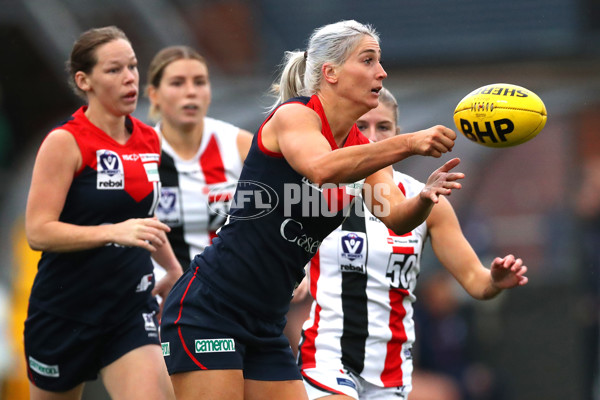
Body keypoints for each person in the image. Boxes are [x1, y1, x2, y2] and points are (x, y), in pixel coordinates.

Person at [159, 19, 464, 400]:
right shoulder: (296, 116)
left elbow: (397, 218)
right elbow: (322, 169)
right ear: (330, 72)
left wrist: (424, 198)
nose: (381, 72)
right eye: (368, 60)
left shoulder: (362, 151)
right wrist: (408, 142)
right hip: (211, 309)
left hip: (265, 323)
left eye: (379, 62)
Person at [295, 87, 528, 400]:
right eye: (361, 126)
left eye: (384, 127)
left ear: (399, 135)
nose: (373, 137)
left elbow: (476, 281)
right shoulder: (318, 193)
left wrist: (496, 280)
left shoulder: (428, 199)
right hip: (327, 357)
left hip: (391, 369)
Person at [23, 26, 182, 400]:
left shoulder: (150, 139)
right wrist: (111, 231)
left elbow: (142, 223)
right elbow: (38, 232)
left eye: (133, 66)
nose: (129, 79)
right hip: (65, 312)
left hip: (129, 308)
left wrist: (173, 268)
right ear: (85, 80)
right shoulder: (65, 142)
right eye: (113, 70)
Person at [145, 45, 253, 284]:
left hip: (229, 292)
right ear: (154, 94)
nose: (191, 92)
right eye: (177, 83)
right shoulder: (142, 153)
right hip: (163, 295)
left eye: (200, 82)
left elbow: (286, 207)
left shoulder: (240, 145)